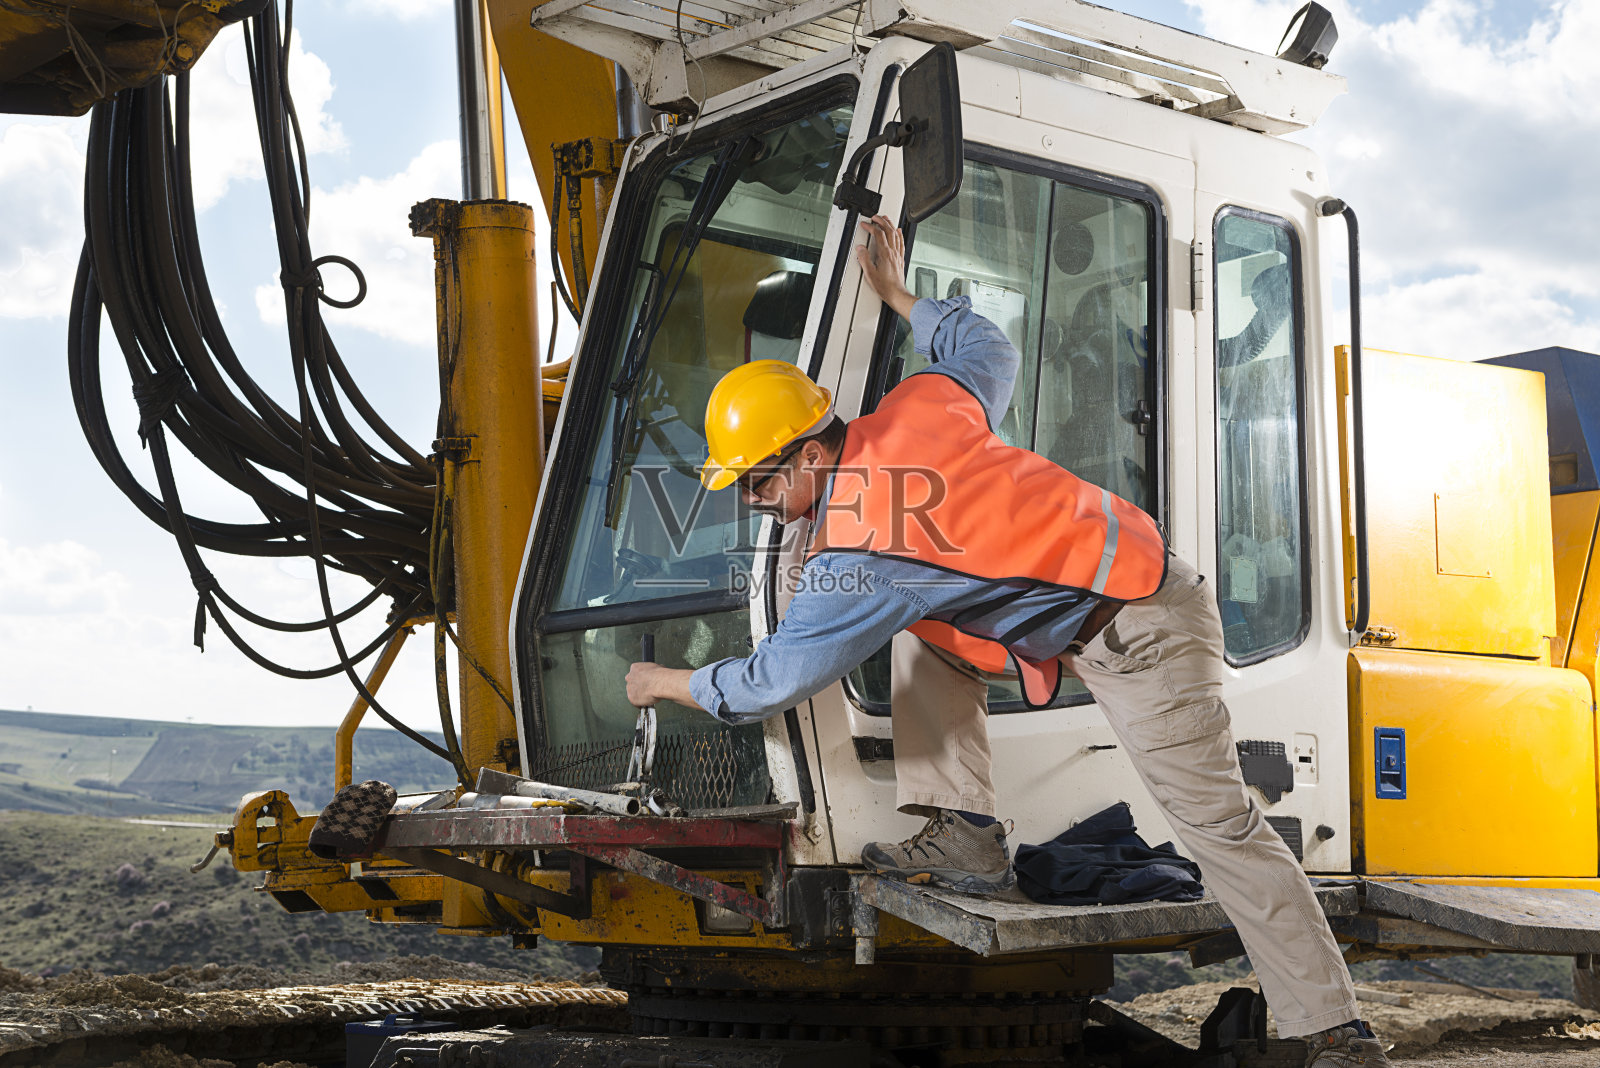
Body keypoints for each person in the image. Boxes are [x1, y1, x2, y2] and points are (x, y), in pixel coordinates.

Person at [624, 215, 1389, 1066]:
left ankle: (1334, 1031)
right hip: (1101, 607)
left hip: (1146, 633)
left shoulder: (867, 550)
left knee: (1220, 829)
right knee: (917, 620)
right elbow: (987, 346)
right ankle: (967, 830)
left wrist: (662, 683)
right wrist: (901, 296)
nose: (754, 502)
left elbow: (769, 682)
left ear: (807, 453)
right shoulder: (916, 407)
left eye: (761, 481)